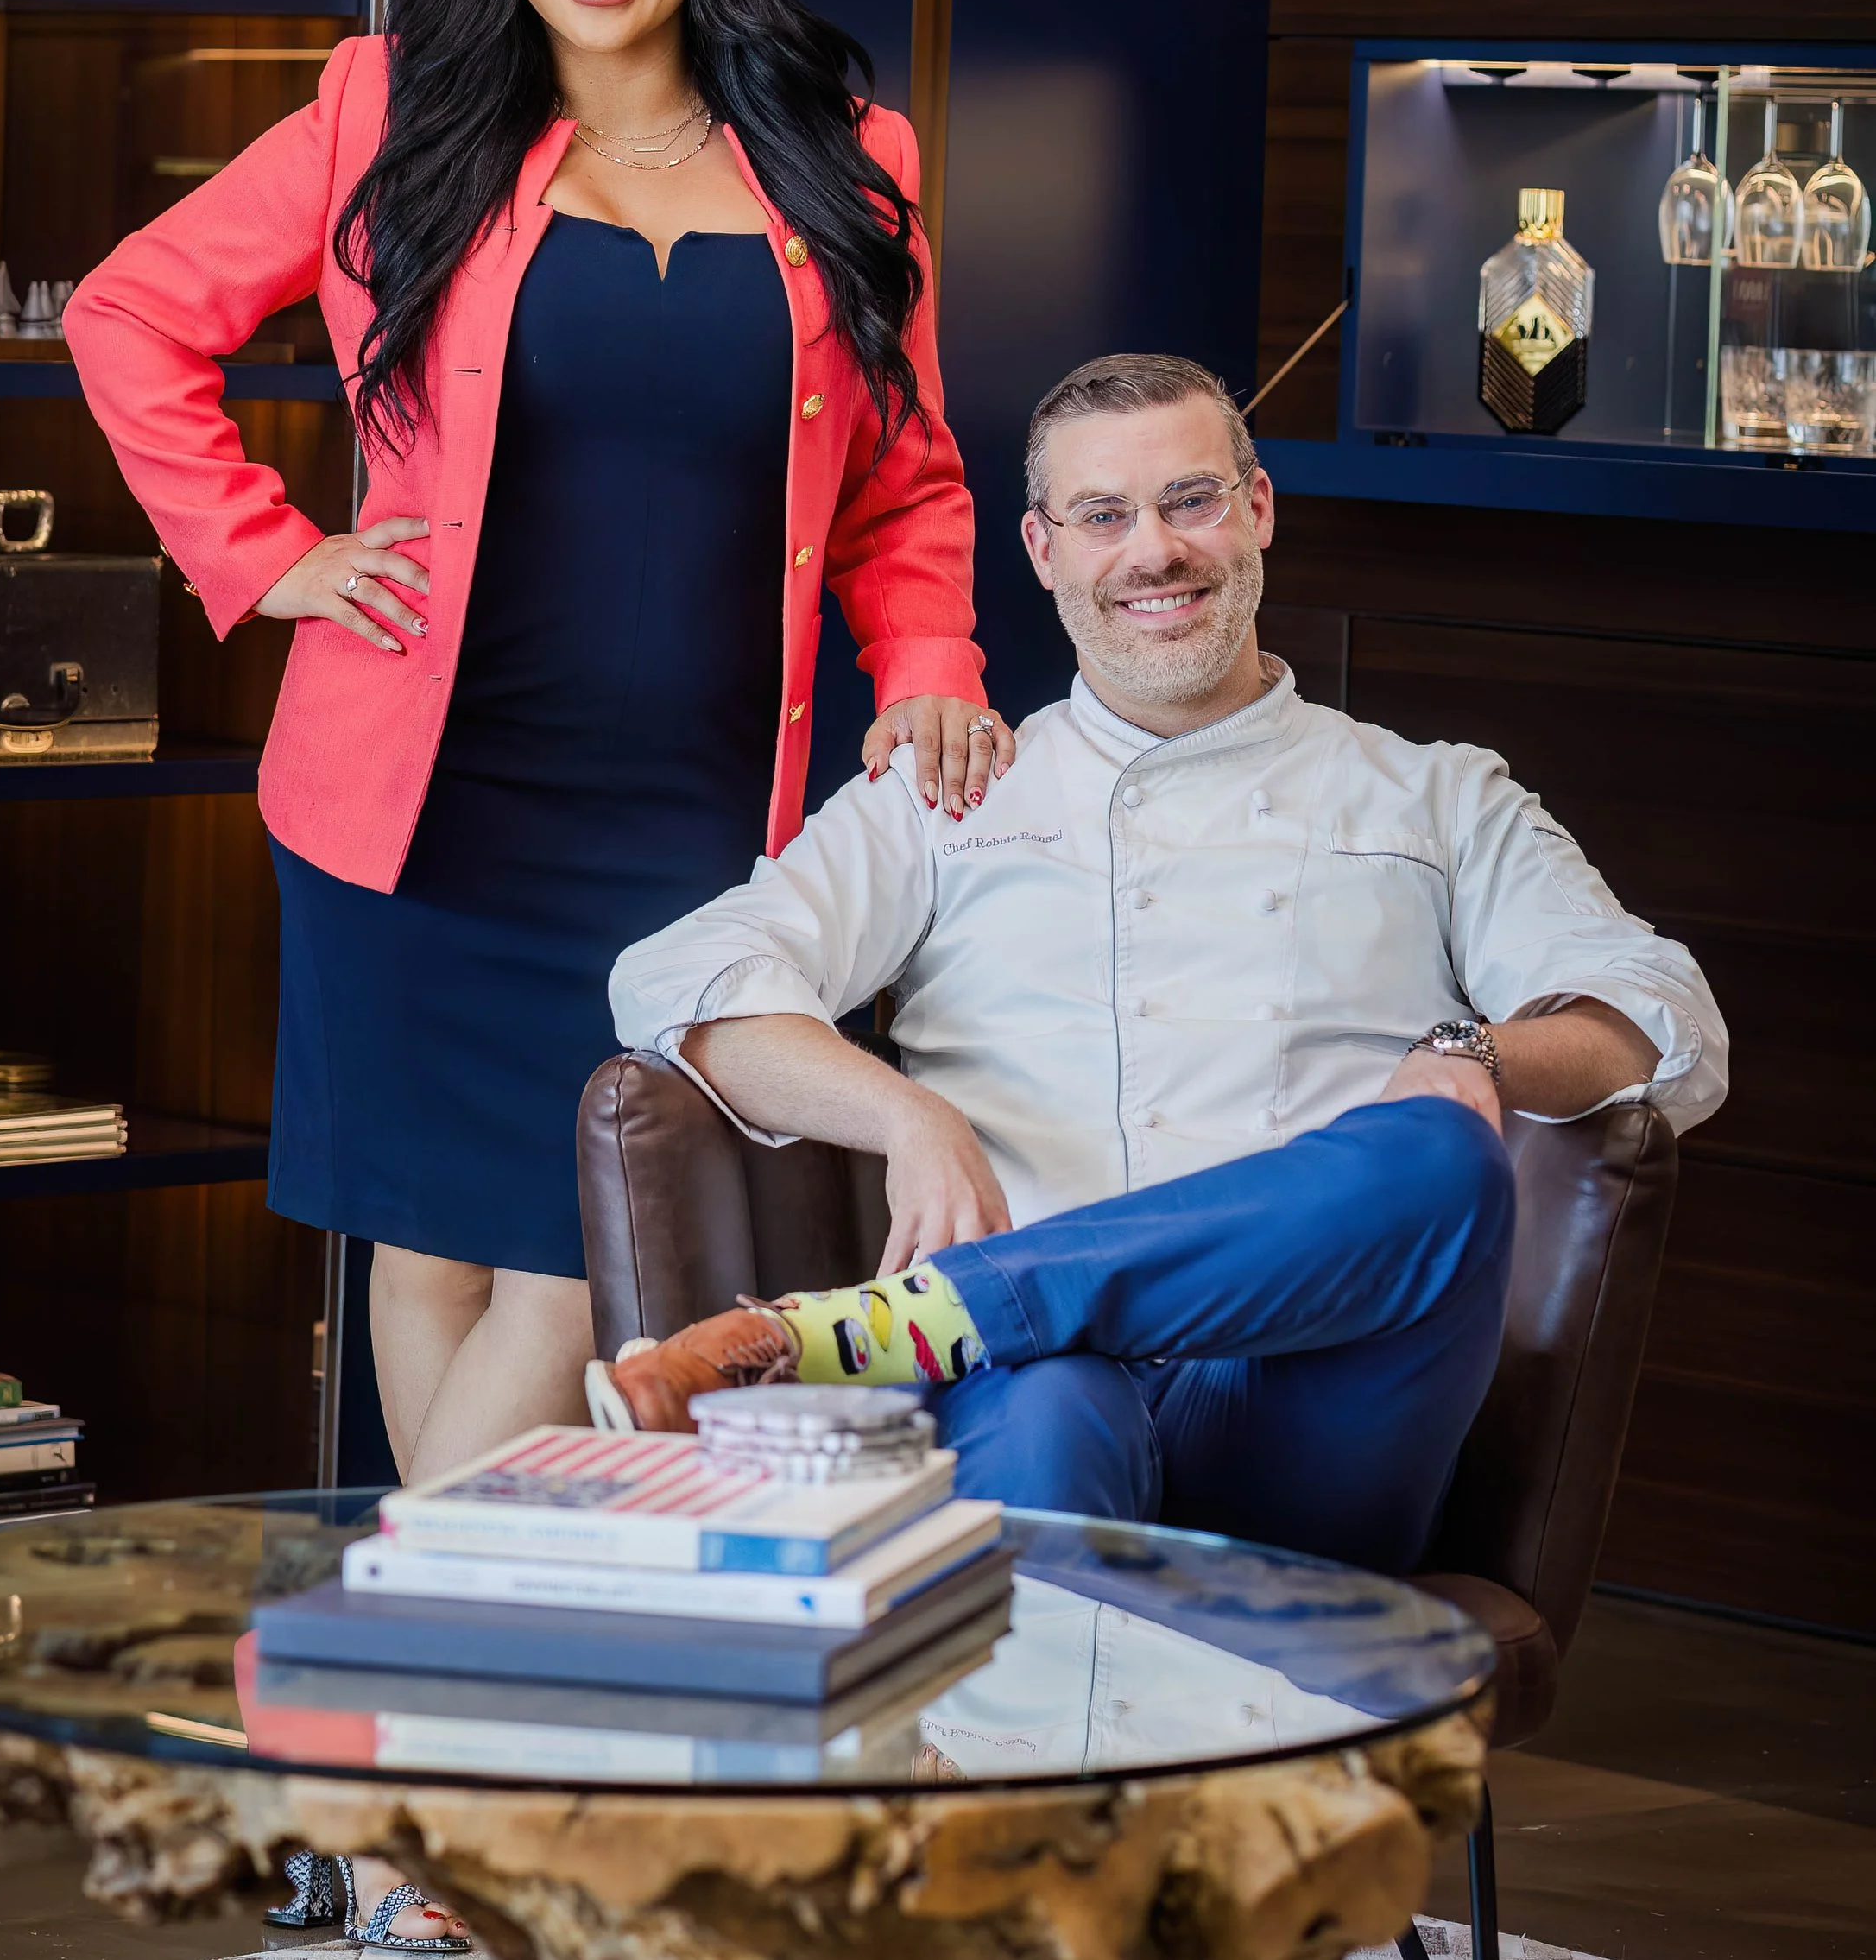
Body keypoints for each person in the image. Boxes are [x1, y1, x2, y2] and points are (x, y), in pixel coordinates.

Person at [68, 0, 1003, 1468]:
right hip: (418, 814)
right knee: (421, 1256)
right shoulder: (389, 112)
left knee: (582, 1272)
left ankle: (398, 1637)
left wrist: (928, 659)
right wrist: (268, 557)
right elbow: (128, 314)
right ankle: (445, 1706)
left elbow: (908, 476)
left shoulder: (846, 156)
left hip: (701, 815)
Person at [597, 352, 1728, 1573]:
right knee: (1053, 1404)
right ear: (1041, 551)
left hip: (1315, 1414)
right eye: (1103, 517)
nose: (1154, 552)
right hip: (1031, 1395)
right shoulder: (953, 796)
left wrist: (1474, 1056)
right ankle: (971, 1367)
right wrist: (907, 1116)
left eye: (1190, 500)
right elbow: (678, 977)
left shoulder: (1437, 792)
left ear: (1258, 512)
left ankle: (914, 1324)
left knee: (1447, 1150)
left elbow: (1668, 1023)